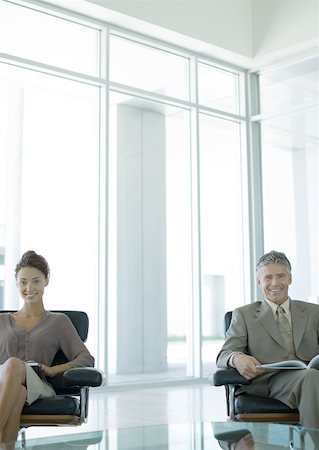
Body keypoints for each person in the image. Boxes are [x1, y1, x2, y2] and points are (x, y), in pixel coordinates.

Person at [0, 250, 94, 448]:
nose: (29, 287)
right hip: (5, 385)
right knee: (17, 393)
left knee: (14, 365)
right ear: (16, 283)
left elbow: (86, 358)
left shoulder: (58, 322)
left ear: (46, 281)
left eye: (35, 281)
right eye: (23, 281)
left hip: (38, 386)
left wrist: (54, 370)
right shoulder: (1, 321)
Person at [216, 250, 319, 429]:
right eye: (268, 277)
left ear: (290, 279)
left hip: (310, 376)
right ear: (259, 282)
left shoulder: (313, 312)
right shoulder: (244, 314)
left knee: (311, 376)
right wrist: (237, 358)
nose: (275, 283)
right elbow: (225, 354)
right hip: (269, 382)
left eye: (281, 276)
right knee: (310, 378)